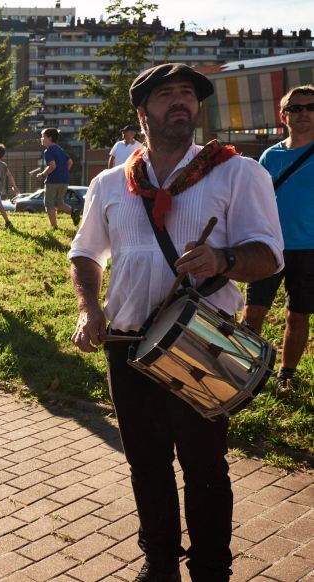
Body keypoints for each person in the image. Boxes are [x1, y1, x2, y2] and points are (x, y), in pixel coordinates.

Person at [69, 63, 283, 582]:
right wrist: (88, 308)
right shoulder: (110, 182)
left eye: (188, 94)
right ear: (143, 113)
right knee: (146, 465)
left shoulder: (237, 171)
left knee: (205, 468)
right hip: (126, 343)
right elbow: (85, 254)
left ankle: (212, 570)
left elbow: (270, 255)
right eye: (167, 96)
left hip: (201, 340)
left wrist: (223, 261)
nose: (181, 102)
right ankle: (158, 563)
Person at [243, 85, 314, 394]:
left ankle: (286, 374)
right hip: (268, 247)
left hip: (310, 250)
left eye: (311, 107)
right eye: (296, 108)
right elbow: (252, 200)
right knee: (253, 313)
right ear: (283, 115)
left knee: (297, 316)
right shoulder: (270, 156)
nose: (304, 113)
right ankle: (246, 369)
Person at [36, 127, 74, 229]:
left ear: (50, 138)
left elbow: (52, 166)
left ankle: (54, 226)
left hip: (52, 181)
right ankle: (74, 212)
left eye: (43, 136)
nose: (41, 138)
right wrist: (64, 173)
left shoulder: (48, 151)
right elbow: (70, 162)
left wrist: (42, 174)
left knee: (49, 203)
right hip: (64, 181)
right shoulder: (60, 149)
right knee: (59, 202)